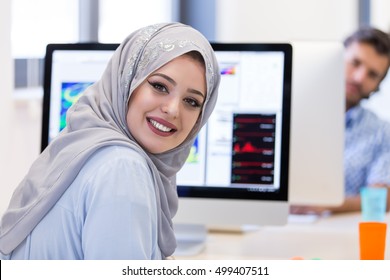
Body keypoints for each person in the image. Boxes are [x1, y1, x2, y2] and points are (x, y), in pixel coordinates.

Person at [0, 22, 220, 260]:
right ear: (127, 82)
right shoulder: (123, 168)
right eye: (159, 86)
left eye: (192, 101)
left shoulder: (84, 141)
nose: (173, 110)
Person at [291, 26, 390, 215]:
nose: (359, 77)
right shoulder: (291, 112)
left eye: (372, 74)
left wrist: (326, 204)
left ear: (378, 85)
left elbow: (382, 198)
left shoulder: (381, 132)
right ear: (337, 58)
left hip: (338, 233)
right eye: (355, 63)